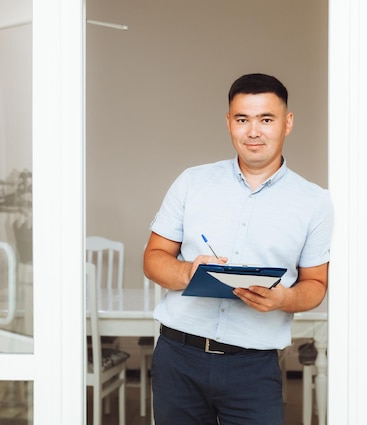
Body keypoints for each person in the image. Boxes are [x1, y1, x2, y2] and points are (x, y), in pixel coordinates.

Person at [143, 73, 333, 425]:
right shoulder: (192, 182)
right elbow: (153, 259)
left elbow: (316, 285)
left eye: (266, 119)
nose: (253, 131)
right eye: (243, 119)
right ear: (229, 123)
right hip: (178, 358)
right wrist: (189, 272)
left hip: (253, 367)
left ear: (287, 123)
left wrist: (283, 300)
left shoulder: (315, 202)